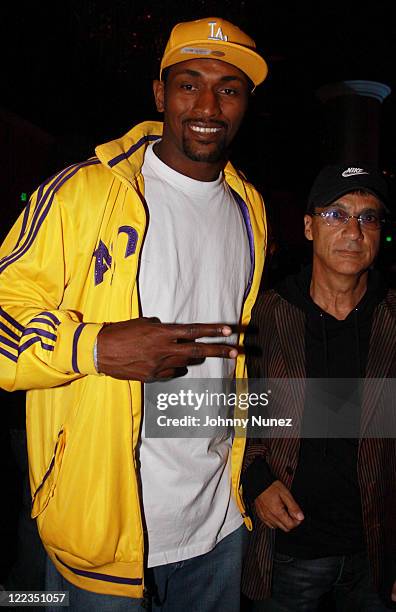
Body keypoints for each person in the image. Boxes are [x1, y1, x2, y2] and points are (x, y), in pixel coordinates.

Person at [0, 16, 268, 612]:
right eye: (188, 83)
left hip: (218, 529)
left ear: (246, 102)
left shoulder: (251, 209)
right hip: (102, 539)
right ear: (158, 94)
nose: (207, 104)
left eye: (229, 88)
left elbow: (230, 371)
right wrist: (92, 347)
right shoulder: (84, 193)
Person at [242, 164, 396, 610]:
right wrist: (257, 481)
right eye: (337, 214)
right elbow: (231, 415)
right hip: (289, 553)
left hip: (376, 556)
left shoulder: (391, 319)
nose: (354, 230)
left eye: (368, 217)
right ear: (309, 227)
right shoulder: (266, 316)